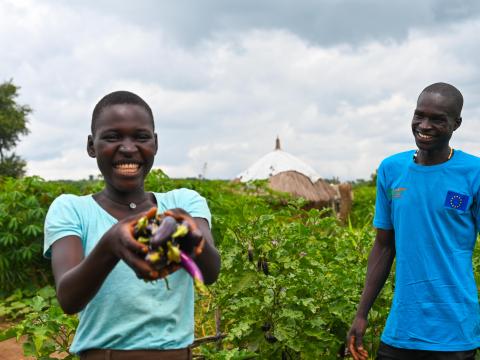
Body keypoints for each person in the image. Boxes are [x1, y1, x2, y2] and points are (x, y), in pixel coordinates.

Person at [43, 90, 221, 360]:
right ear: (92, 146)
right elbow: (69, 299)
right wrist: (111, 243)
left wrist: (189, 235)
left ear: (155, 143)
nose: (128, 148)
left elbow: (210, 272)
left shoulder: (185, 202)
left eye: (140, 137)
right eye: (112, 137)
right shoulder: (71, 209)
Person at [347, 83, 480, 360]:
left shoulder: (473, 173)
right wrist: (361, 314)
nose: (425, 125)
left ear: (456, 124)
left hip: (454, 333)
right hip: (401, 331)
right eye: (419, 115)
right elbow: (384, 247)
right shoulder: (391, 170)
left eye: (437, 119)